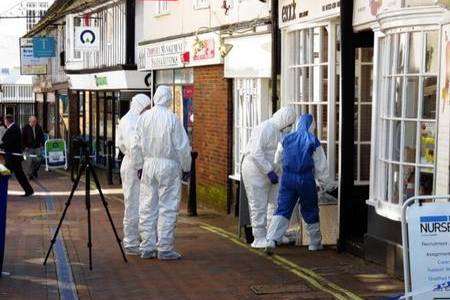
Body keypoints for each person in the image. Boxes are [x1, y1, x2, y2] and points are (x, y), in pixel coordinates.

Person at [132, 86, 191, 260]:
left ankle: (147, 246)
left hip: (149, 164)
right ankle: (164, 247)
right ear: (168, 99)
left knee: (147, 206)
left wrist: (139, 165)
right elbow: (182, 146)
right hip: (169, 166)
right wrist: (186, 168)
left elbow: (135, 144)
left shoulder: (144, 118)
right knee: (168, 206)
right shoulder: (172, 119)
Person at [265, 114, 336, 254]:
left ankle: (272, 239)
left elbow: (277, 159)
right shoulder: (312, 140)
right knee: (310, 209)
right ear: (311, 126)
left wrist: (280, 173)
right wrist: (326, 184)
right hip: (305, 179)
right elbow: (321, 166)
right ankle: (314, 243)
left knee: (283, 208)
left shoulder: (285, 139)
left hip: (287, 179)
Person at [241, 106, 296, 248]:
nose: (289, 127)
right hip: (254, 171)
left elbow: (277, 154)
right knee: (258, 204)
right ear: (284, 120)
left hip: (270, 172)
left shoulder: (279, 132)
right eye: (289, 124)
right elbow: (256, 152)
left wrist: (276, 170)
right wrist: (269, 171)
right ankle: (259, 237)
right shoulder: (265, 128)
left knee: (276, 202)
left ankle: (274, 234)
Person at [116, 94, 152, 256]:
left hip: (139, 165)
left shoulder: (138, 119)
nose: (147, 110)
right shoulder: (129, 121)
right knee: (132, 205)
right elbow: (133, 145)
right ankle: (131, 242)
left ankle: (139, 239)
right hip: (133, 166)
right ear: (139, 106)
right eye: (145, 107)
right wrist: (139, 166)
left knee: (142, 204)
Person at [0, 115, 34, 196]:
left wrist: (1, 146)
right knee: (19, 175)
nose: (5, 122)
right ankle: (29, 190)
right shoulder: (14, 128)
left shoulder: (13, 128)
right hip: (13, 158)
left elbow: (8, 143)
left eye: (5, 121)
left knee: (4, 174)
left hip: (13, 158)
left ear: (7, 121)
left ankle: (29, 191)